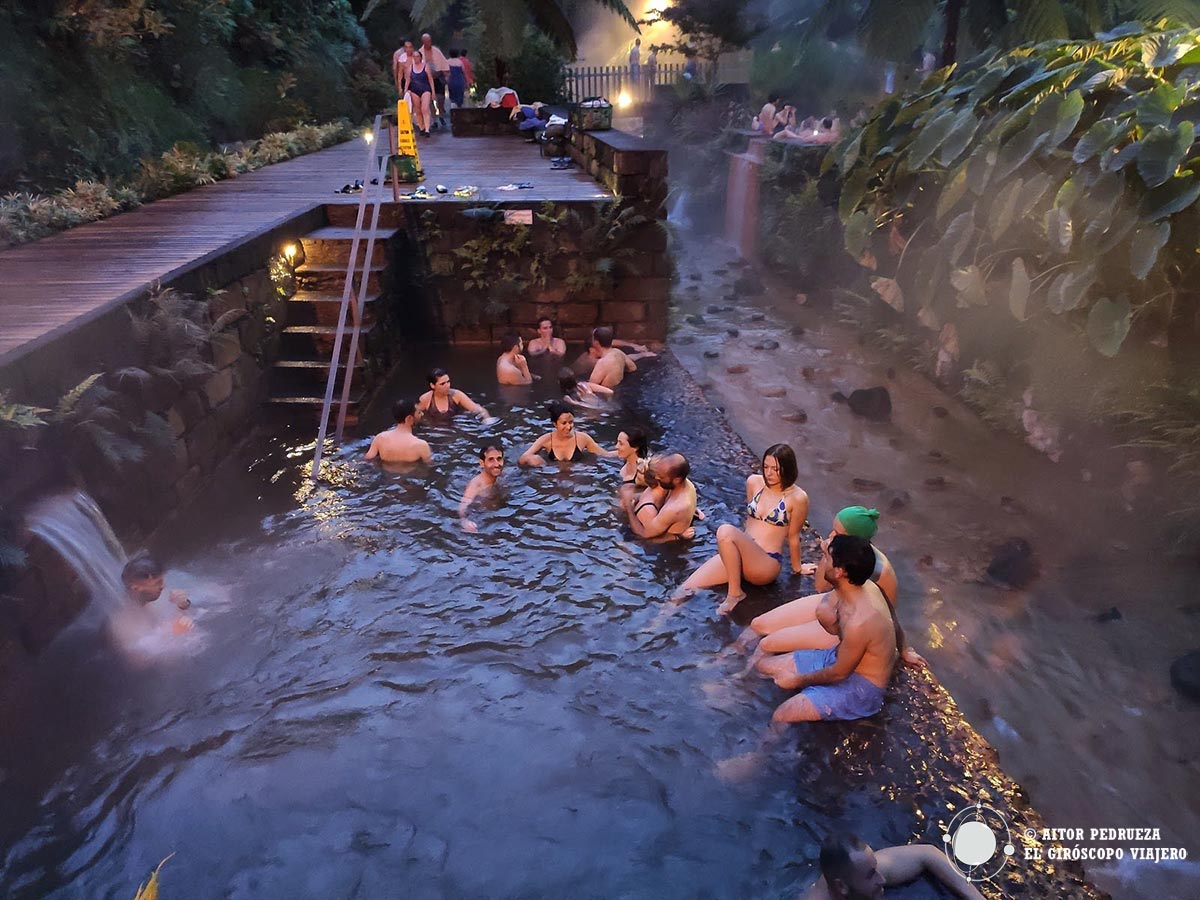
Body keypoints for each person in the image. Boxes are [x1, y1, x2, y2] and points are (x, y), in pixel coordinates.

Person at [756, 535, 897, 723]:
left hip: (862, 686)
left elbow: (839, 673)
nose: (822, 560)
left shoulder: (860, 622)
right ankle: (731, 692)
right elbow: (822, 596)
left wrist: (796, 680)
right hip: (837, 658)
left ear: (839, 571)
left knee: (782, 714)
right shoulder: (858, 585)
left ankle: (757, 753)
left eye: (826, 558)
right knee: (763, 667)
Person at [746, 507, 901, 655]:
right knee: (757, 625)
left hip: (847, 627)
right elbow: (820, 586)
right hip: (833, 602)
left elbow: (890, 618)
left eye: (838, 533)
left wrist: (904, 650)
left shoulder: (881, 571)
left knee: (769, 644)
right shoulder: (838, 550)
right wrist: (828, 554)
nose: (831, 535)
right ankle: (728, 655)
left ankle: (741, 676)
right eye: (833, 529)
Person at [674, 443, 808, 614]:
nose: (769, 473)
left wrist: (798, 568)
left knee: (725, 531)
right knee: (683, 590)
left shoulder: (798, 497)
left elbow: (794, 536)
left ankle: (735, 593)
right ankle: (653, 626)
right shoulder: (754, 482)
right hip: (739, 554)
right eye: (766, 467)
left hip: (766, 563)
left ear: (788, 469)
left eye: (775, 469)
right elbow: (750, 520)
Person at [802, 832, 984, 900]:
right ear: (841, 886)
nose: (881, 878)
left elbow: (928, 853)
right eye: (871, 874)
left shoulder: (858, 870)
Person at [622, 453, 699, 541]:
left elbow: (644, 534)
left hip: (666, 548)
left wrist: (629, 508)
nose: (657, 477)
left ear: (676, 479)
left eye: (662, 477)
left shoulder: (675, 508)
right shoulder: (687, 484)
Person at [519, 401, 618, 466]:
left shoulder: (583, 438)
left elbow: (606, 455)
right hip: (553, 479)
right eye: (564, 423)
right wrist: (535, 460)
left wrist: (628, 450)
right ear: (555, 424)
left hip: (577, 478)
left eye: (571, 422)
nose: (568, 427)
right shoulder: (545, 440)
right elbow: (522, 458)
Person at [120, 553, 193, 633]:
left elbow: (193, 614)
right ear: (136, 588)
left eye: (162, 580)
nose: (163, 586)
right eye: (157, 583)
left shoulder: (162, 597)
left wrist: (183, 605)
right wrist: (174, 633)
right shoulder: (124, 625)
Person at [365, 398, 432, 464]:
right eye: (419, 412)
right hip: (411, 473)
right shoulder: (421, 445)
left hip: (386, 473)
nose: (422, 414)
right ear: (409, 418)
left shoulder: (380, 438)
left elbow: (368, 459)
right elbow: (428, 466)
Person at [587, 326, 655, 388]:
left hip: (606, 396)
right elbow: (632, 368)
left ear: (596, 343)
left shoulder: (602, 363)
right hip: (620, 388)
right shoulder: (618, 352)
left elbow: (590, 387)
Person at [459, 442, 505, 533]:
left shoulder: (502, 475)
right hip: (484, 516)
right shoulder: (476, 485)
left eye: (499, 459)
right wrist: (464, 521)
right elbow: (463, 505)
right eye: (491, 460)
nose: (496, 464)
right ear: (482, 463)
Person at [418, 368, 492, 423]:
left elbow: (477, 408)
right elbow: (414, 417)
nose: (447, 386)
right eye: (442, 384)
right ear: (432, 385)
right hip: (434, 431)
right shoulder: (425, 399)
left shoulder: (457, 395)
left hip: (455, 427)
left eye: (448, 382)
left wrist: (487, 418)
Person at [420, 33, 450, 128]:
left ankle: (441, 114)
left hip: (438, 78)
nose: (428, 43)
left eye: (429, 41)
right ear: (423, 42)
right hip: (426, 79)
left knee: (440, 98)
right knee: (428, 100)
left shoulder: (436, 51)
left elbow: (443, 62)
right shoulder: (420, 52)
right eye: (426, 41)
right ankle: (434, 119)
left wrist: (446, 74)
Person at [403, 48, 434, 137]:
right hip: (414, 90)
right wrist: (405, 90)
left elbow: (430, 79)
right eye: (414, 57)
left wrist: (433, 91)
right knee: (418, 110)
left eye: (417, 56)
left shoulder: (425, 66)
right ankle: (421, 127)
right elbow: (408, 79)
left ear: (420, 57)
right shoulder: (410, 68)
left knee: (425, 109)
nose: (416, 58)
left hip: (425, 89)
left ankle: (427, 129)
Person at [615, 427, 649, 503]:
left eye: (621, 443)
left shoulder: (642, 474)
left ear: (635, 448)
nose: (616, 446)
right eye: (617, 442)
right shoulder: (624, 455)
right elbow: (605, 454)